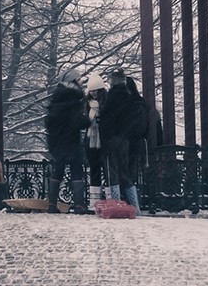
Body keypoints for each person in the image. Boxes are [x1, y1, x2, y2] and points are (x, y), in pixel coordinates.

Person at [99, 69, 150, 209]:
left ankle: (116, 204)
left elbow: (106, 119)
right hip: (125, 140)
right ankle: (135, 206)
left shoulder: (112, 96)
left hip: (112, 138)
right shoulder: (130, 98)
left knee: (112, 172)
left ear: (113, 82)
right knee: (124, 173)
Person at [45, 78, 90, 213]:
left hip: (57, 144)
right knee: (76, 172)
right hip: (72, 144)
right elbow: (81, 123)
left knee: (57, 172)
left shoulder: (55, 105)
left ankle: (52, 204)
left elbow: (48, 123)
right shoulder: (74, 105)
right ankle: (79, 205)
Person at [85, 85, 107, 195]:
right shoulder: (87, 104)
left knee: (106, 170)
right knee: (94, 169)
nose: (93, 93)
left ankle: (108, 198)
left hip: (102, 139)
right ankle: (95, 198)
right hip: (92, 141)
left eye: (95, 90)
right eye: (91, 90)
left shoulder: (105, 103)